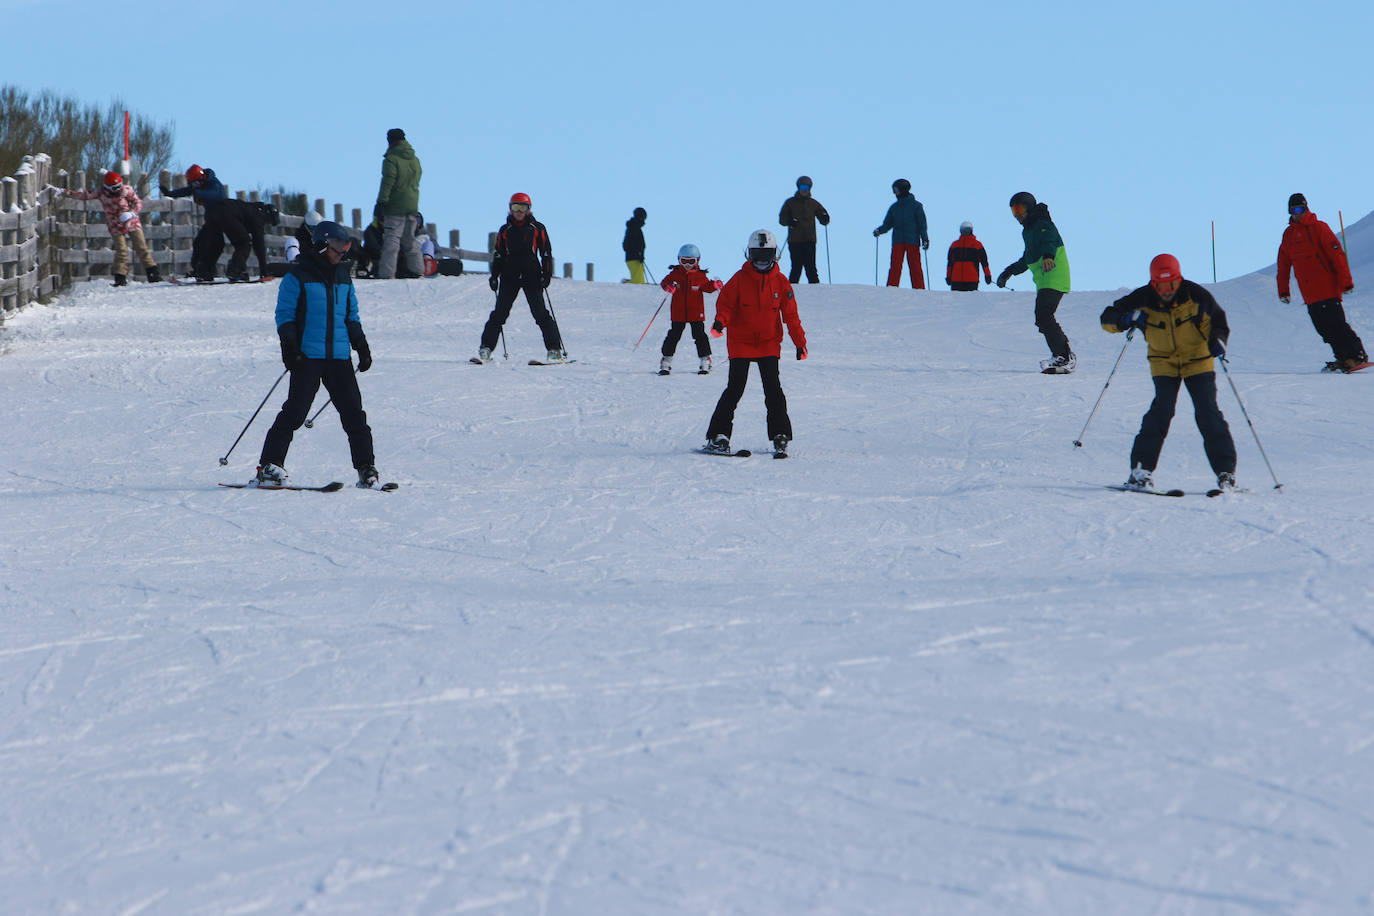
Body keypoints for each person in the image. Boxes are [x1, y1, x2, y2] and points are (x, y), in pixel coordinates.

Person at [255, 220, 379, 489]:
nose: (342, 254)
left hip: (338, 358)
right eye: (337, 248)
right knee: (295, 413)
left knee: (354, 415)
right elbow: (285, 316)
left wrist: (361, 345)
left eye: (345, 248)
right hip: (307, 357)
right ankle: (269, 466)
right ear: (322, 245)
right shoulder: (297, 277)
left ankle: (366, 468)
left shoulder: (344, 276)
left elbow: (351, 316)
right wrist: (289, 348)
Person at [1099, 253, 1236, 493]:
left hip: (1198, 360)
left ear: (1178, 279)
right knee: (1161, 411)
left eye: (1171, 284)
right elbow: (1107, 319)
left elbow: (1219, 322)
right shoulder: (1142, 298)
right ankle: (1140, 472)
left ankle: (1226, 474)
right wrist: (1126, 319)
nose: (1166, 290)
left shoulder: (1196, 295)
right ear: (1153, 283)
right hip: (1164, 362)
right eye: (1161, 285)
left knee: (1207, 412)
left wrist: (1218, 341)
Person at [704, 229, 808, 457]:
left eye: (766, 254)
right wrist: (720, 322)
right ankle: (718, 436)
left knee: (773, 389)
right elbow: (726, 305)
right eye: (757, 254)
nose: (762, 260)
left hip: (769, 343)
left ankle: (780, 435)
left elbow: (791, 315)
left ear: (775, 255)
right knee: (735, 388)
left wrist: (800, 343)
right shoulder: (739, 279)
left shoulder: (781, 282)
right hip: (741, 342)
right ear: (749, 255)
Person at [1276, 193, 1368, 373]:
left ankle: (1356, 355)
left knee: (1337, 324)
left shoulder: (1319, 228)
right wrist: (1283, 291)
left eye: (1301, 209)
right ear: (1290, 212)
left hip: (1327, 288)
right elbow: (1283, 264)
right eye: (1294, 210)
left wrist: (1345, 282)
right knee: (1323, 329)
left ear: (1306, 208)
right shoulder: (1289, 235)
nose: (1298, 214)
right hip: (1309, 293)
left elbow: (1337, 254)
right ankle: (1343, 357)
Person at [476, 193, 563, 363]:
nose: (518, 212)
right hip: (510, 277)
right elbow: (499, 255)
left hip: (532, 276)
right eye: (515, 207)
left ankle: (554, 350)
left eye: (522, 208)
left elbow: (546, 253)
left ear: (529, 209)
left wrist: (547, 275)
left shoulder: (537, 228)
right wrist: (494, 276)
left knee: (540, 314)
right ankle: (486, 348)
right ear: (510, 209)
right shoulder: (505, 230)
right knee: (499, 314)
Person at [996, 191, 1074, 373]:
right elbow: (1028, 258)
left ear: (1029, 208)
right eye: (1013, 211)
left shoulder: (1043, 224)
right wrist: (1008, 272)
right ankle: (1062, 355)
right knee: (1042, 317)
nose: (1017, 215)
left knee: (1044, 315)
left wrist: (1048, 255)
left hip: (1054, 275)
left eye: (1019, 209)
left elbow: (1050, 239)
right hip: (1044, 280)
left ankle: (1064, 356)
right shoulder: (1029, 231)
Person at [60, 170, 161, 286]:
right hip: (115, 224)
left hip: (131, 221)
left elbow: (137, 202)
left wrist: (132, 213)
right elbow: (83, 195)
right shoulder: (101, 193)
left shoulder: (127, 190)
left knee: (141, 247)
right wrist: (64, 192)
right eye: (114, 188)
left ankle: (153, 274)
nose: (118, 190)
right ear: (107, 188)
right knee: (122, 251)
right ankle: (120, 278)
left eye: (119, 186)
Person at [658, 243, 722, 375]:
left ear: (697, 261)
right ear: (679, 260)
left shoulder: (700, 276)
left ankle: (705, 360)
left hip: (695, 312)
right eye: (684, 261)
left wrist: (715, 285)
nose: (687, 264)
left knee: (699, 336)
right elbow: (664, 282)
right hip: (678, 313)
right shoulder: (675, 274)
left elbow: (707, 287)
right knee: (674, 335)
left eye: (691, 261)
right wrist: (668, 287)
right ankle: (666, 360)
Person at [162, 164, 229, 281]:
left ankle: (206, 271)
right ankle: (199, 270)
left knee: (210, 244)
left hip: (221, 218)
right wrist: (170, 194)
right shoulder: (200, 184)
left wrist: (197, 193)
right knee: (199, 243)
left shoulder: (213, 183)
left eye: (195, 183)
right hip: (211, 220)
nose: (194, 186)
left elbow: (213, 194)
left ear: (201, 179)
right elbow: (188, 190)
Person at [373, 128, 423, 280]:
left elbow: (388, 182)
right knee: (410, 240)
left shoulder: (391, 159)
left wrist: (381, 202)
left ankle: (387, 274)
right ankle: (417, 270)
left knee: (392, 240)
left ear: (391, 141)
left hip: (395, 206)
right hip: (412, 205)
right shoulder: (415, 159)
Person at [873, 178, 928, 288]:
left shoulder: (916, 206)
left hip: (912, 240)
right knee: (895, 265)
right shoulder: (894, 207)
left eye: (896, 190)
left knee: (915, 266)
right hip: (898, 241)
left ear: (903, 190)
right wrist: (880, 230)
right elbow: (888, 224)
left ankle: (919, 288)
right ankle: (892, 287)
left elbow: (922, 224)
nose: (894, 193)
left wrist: (925, 238)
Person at [778, 175, 830, 284]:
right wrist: (790, 221)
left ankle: (816, 292)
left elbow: (823, 217)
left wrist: (825, 218)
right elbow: (782, 219)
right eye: (802, 187)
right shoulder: (790, 203)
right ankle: (791, 292)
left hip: (809, 240)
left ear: (810, 188)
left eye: (806, 187)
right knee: (796, 267)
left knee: (810, 268)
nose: (804, 190)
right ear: (798, 188)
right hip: (795, 241)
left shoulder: (813, 204)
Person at [945, 221, 993, 291]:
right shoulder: (954, 245)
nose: (965, 232)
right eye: (963, 230)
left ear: (971, 231)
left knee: (971, 301)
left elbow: (984, 263)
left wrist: (987, 275)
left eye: (967, 230)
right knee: (955, 302)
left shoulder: (977, 245)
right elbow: (950, 263)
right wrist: (948, 277)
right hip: (956, 280)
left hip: (972, 281)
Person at [623, 207, 648, 283]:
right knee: (638, 282)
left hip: (634, 258)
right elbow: (630, 244)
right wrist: (638, 254)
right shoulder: (634, 227)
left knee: (640, 280)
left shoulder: (634, 227)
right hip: (634, 258)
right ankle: (624, 286)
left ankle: (626, 284)